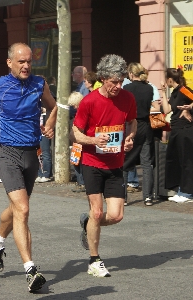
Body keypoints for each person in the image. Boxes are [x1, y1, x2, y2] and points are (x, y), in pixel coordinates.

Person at [0, 42, 58, 292]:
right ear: (10, 63)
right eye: (21, 62)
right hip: (6, 152)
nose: (26, 66)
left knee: (17, 208)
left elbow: (53, 106)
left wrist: (51, 125)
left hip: (30, 153)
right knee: (23, 209)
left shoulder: (40, 83)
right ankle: (30, 270)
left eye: (29, 62)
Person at [72, 54, 136, 277]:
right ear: (102, 79)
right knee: (98, 212)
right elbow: (76, 132)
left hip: (115, 164)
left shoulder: (128, 98)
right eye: (114, 82)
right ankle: (94, 260)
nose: (118, 86)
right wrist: (93, 140)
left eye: (121, 81)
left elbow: (132, 121)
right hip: (92, 162)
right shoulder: (89, 101)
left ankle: (88, 223)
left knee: (116, 216)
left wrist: (130, 137)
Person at [122, 63, 157, 206]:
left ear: (131, 74)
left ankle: (123, 197)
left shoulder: (127, 88)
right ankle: (148, 197)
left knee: (124, 162)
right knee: (146, 162)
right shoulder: (149, 88)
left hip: (130, 125)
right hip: (145, 125)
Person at [160, 68, 193, 203]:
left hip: (185, 129)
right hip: (176, 129)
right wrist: (162, 92)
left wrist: (189, 109)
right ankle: (181, 189)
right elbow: (167, 110)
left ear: (169, 79)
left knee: (186, 161)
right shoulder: (174, 92)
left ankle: (187, 192)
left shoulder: (184, 90)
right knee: (176, 160)